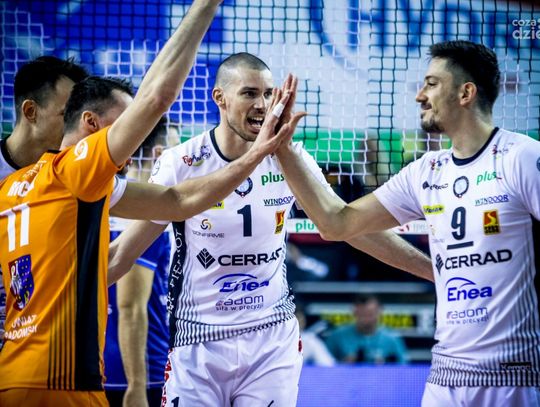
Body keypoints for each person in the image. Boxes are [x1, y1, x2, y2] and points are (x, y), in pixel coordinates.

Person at [0, 1, 304, 404]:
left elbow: (176, 201)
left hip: (12, 368)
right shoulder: (75, 171)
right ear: (90, 123)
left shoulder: (15, 185)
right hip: (60, 378)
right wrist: (206, 6)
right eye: (126, 127)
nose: (135, 141)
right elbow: (157, 98)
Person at [109, 52, 434, 407]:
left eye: (268, 94)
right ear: (220, 98)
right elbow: (124, 252)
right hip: (198, 338)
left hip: (270, 338)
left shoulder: (290, 158)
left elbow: (349, 227)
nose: (262, 105)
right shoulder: (182, 162)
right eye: (249, 93)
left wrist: (433, 271)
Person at [274, 40, 540, 406]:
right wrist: (284, 150)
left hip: (514, 375)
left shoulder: (521, 158)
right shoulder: (425, 172)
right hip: (445, 376)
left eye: (431, 84)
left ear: (466, 93)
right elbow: (337, 223)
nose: (419, 95)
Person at [0, 56, 89, 350]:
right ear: (30, 111)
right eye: (67, 114)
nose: (76, 126)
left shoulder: (70, 172)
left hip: (38, 343)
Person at [105, 119, 171, 407]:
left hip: (104, 362)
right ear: (159, 154)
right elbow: (130, 306)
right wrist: (137, 385)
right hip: (142, 371)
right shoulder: (147, 213)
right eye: (173, 147)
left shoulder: (107, 200)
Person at [324, 294, 407, 364]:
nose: (366, 319)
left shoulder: (392, 339)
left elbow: (403, 369)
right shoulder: (337, 336)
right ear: (354, 312)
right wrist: (344, 365)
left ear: (380, 311)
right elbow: (323, 367)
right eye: (362, 314)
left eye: (370, 314)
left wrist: (385, 366)